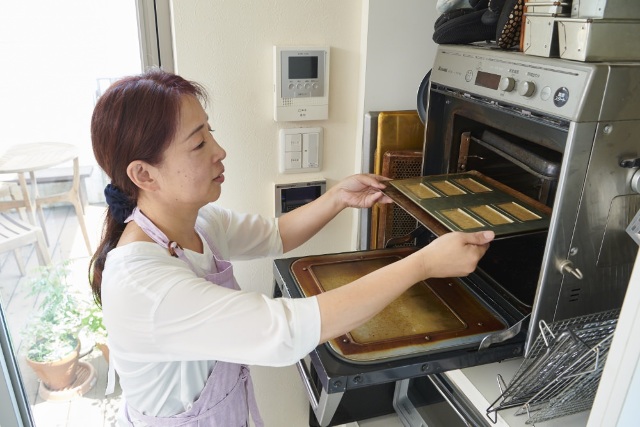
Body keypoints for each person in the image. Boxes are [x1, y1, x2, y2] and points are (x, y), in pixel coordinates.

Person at [89, 68, 495, 427]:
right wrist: (421, 264)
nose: (219, 150)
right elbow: (285, 331)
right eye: (198, 144)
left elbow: (275, 233)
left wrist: (337, 197)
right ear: (144, 174)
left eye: (210, 131)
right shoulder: (144, 285)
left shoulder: (198, 223)